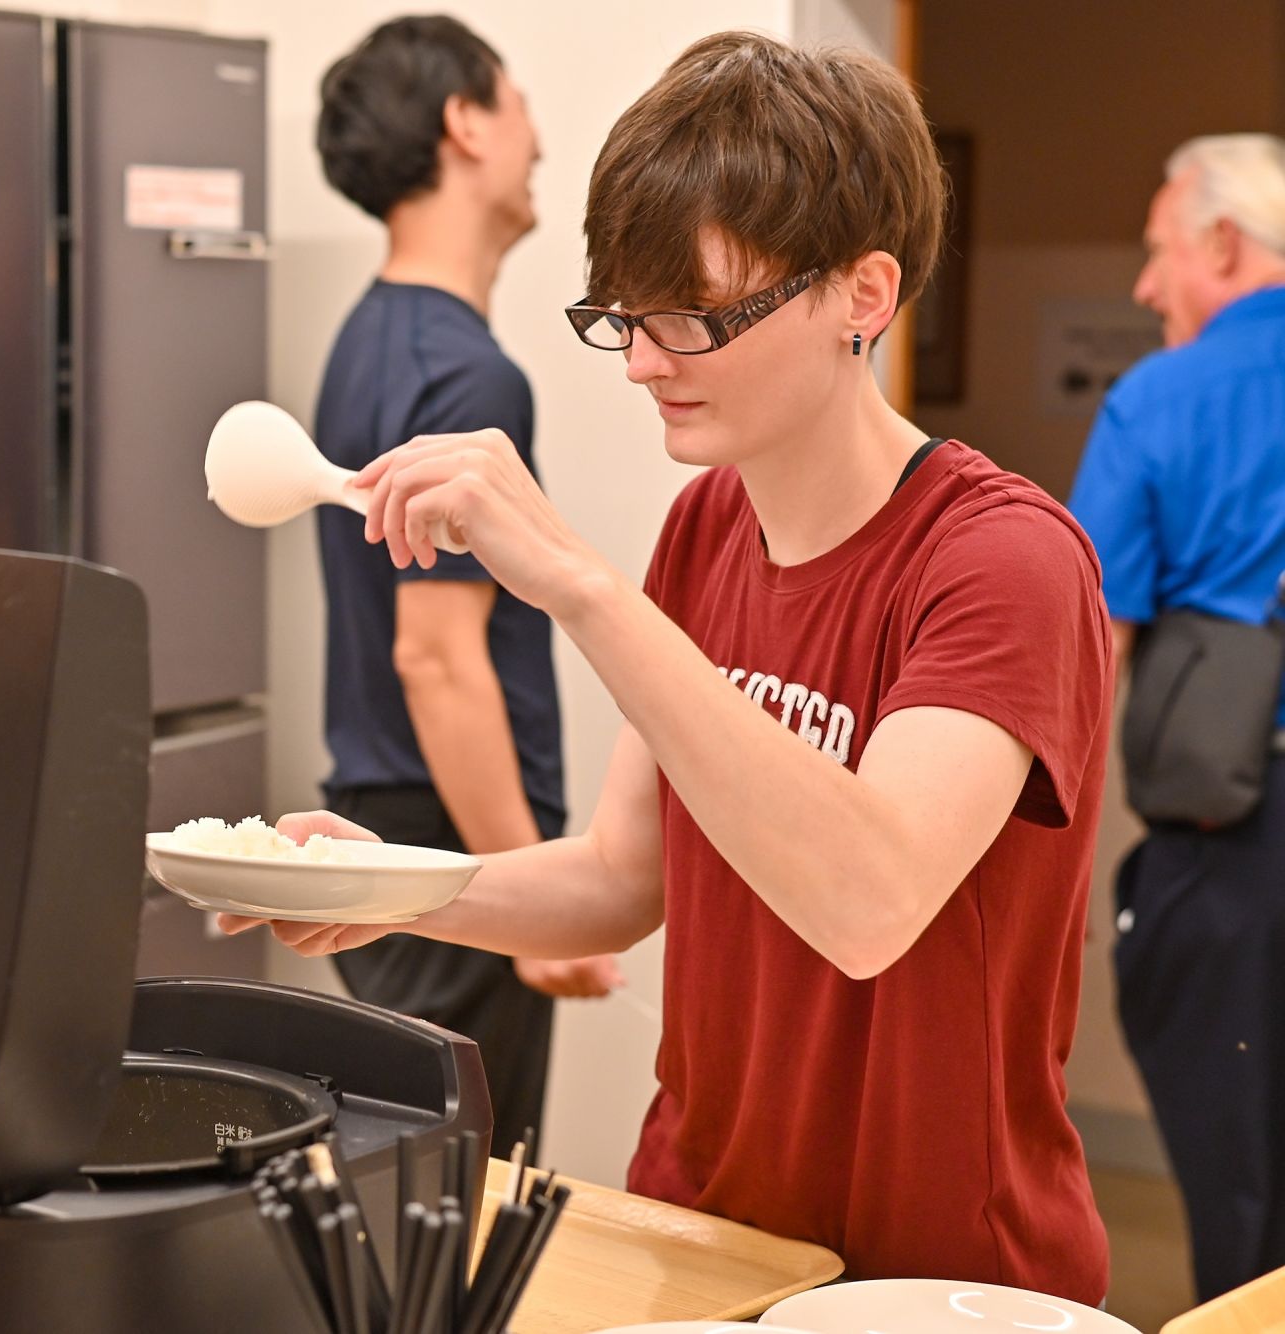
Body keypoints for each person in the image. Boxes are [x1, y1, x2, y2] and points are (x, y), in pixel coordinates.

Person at [231, 31, 1114, 1298]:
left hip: (939, 1274)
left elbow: (868, 897)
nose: (643, 361)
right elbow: (618, 875)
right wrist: (399, 886)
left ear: (863, 296)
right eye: (624, 317)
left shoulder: (1003, 562)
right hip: (704, 1229)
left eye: (690, 317)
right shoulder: (706, 527)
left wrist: (582, 587)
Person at [310, 16, 618, 1158]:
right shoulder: (465, 373)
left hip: (390, 837)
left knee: (405, 1198)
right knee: (454, 1214)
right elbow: (433, 657)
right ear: (464, 123)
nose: (535, 138)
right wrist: (531, 906)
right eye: (517, 102)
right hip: (449, 855)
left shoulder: (367, 341)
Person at [1067, 133, 1285, 1302]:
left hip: (1233, 856)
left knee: (1239, 1202)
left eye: (1156, 253)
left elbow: (1082, 652)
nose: (1146, 288)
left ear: (1218, 242)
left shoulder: (1162, 397)